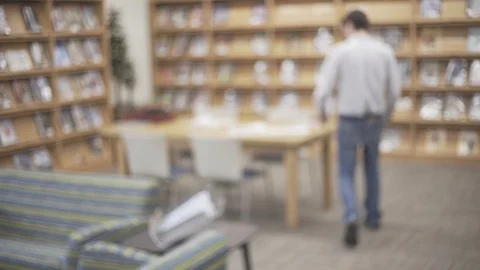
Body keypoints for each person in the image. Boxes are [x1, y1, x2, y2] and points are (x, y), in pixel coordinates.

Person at [313, 10, 401, 248]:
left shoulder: (340, 51)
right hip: (375, 117)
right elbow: (394, 90)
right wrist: (388, 115)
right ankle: (372, 215)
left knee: (345, 171)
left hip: (349, 118)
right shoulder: (384, 51)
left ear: (349, 25)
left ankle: (351, 215)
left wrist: (321, 110)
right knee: (372, 167)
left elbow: (323, 87)